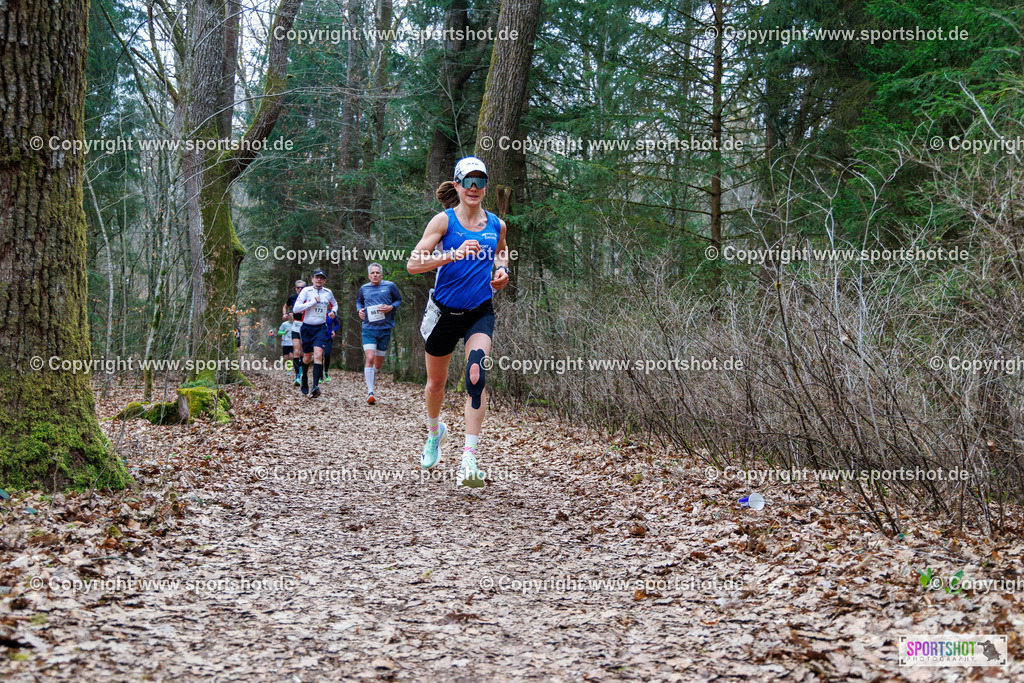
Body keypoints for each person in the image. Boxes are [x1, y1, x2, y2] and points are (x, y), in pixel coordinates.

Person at [407, 156, 510, 488]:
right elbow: (413, 263)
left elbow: (502, 252)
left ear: (486, 187)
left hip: (479, 311)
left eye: (481, 182)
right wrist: (450, 254)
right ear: (457, 186)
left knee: (476, 372)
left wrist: (502, 271)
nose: (475, 188)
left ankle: (469, 459)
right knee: (436, 385)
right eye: (469, 181)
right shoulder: (443, 222)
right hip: (443, 314)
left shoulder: (497, 223)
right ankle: (434, 433)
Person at [356, 263, 402, 404]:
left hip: (385, 328)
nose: (375, 275)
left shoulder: (390, 286)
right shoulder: (364, 288)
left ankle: (370, 374)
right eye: (372, 273)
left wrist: (390, 307)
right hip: (369, 328)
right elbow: (359, 301)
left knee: (378, 364)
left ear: (381, 275)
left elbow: (398, 300)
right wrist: (359, 310)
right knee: (369, 358)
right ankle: (370, 392)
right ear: (369, 275)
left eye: (377, 273)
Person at [292, 269, 340, 398]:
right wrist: (312, 302)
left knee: (318, 355)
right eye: (316, 278)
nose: (319, 280)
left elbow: (334, 304)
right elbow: (296, 309)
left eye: (321, 278)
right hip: (307, 328)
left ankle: (315, 386)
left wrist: (333, 312)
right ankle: (304, 379)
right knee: (307, 357)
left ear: (324, 280)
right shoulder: (306, 291)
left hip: (321, 328)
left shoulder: (328, 292)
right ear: (312, 279)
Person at [285, 280, 306, 386]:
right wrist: (285, 314)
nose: (300, 289)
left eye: (302, 288)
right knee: (296, 351)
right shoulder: (293, 298)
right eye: (298, 287)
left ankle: (303, 373)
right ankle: (297, 376)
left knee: (305, 353)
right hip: (296, 325)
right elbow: (285, 305)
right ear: (295, 288)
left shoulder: (309, 297)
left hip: (307, 325)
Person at [322, 302, 339, 383]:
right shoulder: (319, 314)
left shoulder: (331, 314)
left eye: (327, 305)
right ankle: (319, 375)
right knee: (319, 356)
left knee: (327, 355)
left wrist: (334, 331)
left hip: (328, 338)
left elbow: (337, 324)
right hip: (320, 337)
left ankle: (326, 372)